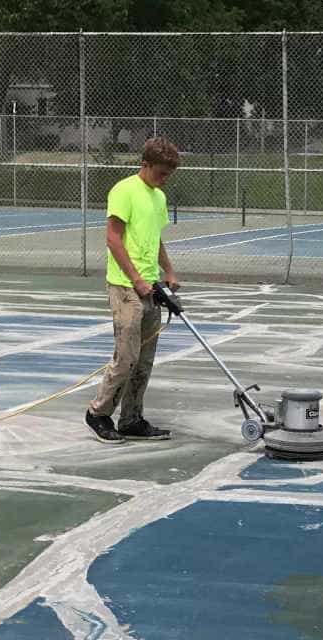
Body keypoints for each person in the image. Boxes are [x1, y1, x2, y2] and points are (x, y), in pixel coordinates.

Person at [85, 137, 181, 444]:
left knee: (144, 359)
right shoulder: (124, 190)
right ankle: (99, 413)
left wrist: (168, 271)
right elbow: (113, 239)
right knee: (126, 356)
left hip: (150, 285)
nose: (165, 179)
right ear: (146, 165)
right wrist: (137, 279)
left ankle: (131, 419)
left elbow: (156, 239)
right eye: (161, 173)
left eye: (169, 174)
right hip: (126, 286)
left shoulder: (158, 198)